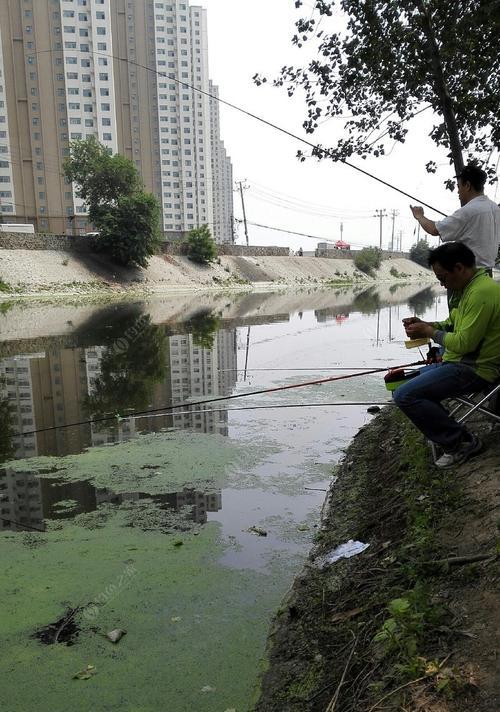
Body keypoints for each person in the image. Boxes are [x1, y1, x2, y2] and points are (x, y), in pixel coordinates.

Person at [393, 241, 500, 468]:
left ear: (459, 268)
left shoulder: (481, 293)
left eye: (443, 277)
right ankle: (445, 431)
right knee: (401, 382)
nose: (442, 283)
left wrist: (430, 332)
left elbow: (463, 343)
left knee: (406, 395)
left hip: (475, 368)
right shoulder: (469, 288)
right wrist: (425, 324)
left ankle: (460, 442)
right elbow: (452, 325)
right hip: (459, 361)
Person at [410, 164, 500, 274]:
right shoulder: (496, 208)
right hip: (487, 273)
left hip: (467, 275)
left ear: (467, 185)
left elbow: (434, 229)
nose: (458, 191)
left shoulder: (468, 211)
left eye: (459, 186)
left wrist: (420, 216)